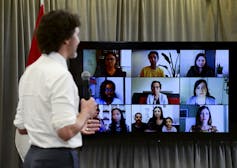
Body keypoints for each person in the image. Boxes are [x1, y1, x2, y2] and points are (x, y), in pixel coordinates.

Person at [13, 10, 100, 168]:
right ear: (67, 39)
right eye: (77, 35)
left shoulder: (29, 72)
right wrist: (86, 112)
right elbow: (65, 132)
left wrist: (78, 124)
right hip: (57, 161)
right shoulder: (61, 76)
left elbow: (23, 128)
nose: (78, 41)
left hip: (33, 158)